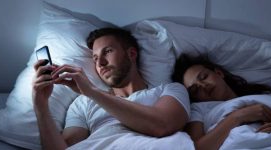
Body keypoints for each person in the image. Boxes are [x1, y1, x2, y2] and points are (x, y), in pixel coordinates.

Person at [32, 28, 190, 150]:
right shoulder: (83, 103)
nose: (100, 63)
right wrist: (40, 105)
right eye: (94, 58)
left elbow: (162, 126)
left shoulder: (170, 90)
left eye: (107, 52)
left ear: (132, 54)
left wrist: (92, 91)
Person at [172, 54, 271, 150]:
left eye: (203, 77)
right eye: (195, 90)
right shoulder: (198, 109)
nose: (203, 86)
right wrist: (238, 116)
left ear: (219, 73)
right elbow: (196, 148)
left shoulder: (263, 95)